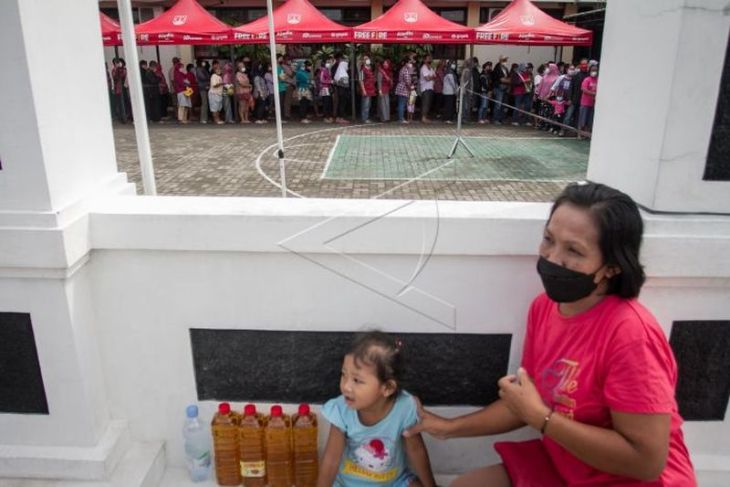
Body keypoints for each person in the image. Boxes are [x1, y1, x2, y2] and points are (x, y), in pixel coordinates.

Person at [405, 182, 698, 487]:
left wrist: (542, 419)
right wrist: (448, 427)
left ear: (611, 266)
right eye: (548, 240)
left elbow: (647, 462)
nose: (552, 258)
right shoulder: (545, 307)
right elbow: (526, 400)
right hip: (568, 463)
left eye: (573, 250)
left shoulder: (631, 335)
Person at [317, 331, 436, 487]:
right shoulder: (342, 410)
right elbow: (331, 460)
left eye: (357, 380)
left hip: (395, 482)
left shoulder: (404, 408)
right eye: (343, 375)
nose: (346, 386)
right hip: (349, 484)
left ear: (387, 388)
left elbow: (416, 451)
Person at [578, 66, 599, 138]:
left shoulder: (598, 80)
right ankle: (579, 133)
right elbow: (584, 89)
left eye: (596, 70)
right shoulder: (587, 79)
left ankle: (586, 134)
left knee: (590, 120)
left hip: (593, 103)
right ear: (590, 71)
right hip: (585, 102)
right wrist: (593, 93)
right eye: (593, 70)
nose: (594, 72)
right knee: (582, 119)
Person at [490, 55, 510, 124]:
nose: (505, 62)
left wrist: (507, 80)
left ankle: (501, 119)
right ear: (500, 60)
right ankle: (495, 119)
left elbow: (508, 78)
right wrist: (508, 80)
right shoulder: (497, 68)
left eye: (506, 60)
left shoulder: (506, 69)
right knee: (498, 104)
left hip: (505, 89)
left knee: (503, 105)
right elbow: (501, 79)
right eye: (504, 60)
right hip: (498, 88)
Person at [111, 58, 130, 123]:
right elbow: (115, 77)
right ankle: (122, 118)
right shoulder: (114, 70)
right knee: (120, 104)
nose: (118, 64)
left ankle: (127, 116)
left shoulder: (124, 69)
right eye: (117, 63)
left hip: (124, 87)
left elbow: (124, 76)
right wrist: (118, 70)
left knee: (126, 102)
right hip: (118, 88)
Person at [395, 59, 414, 124]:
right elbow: (407, 81)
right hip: (403, 89)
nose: (410, 64)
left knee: (401, 104)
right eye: (409, 62)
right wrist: (410, 89)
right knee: (402, 104)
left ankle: (400, 118)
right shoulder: (405, 70)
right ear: (406, 63)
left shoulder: (403, 69)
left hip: (401, 89)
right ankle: (401, 119)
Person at [359, 55, 377, 123]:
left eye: (368, 58)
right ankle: (364, 118)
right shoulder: (362, 69)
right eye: (365, 59)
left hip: (371, 89)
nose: (367, 60)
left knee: (368, 104)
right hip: (366, 89)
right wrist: (363, 90)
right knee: (365, 104)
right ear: (363, 61)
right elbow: (361, 80)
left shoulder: (370, 68)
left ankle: (366, 117)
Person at [419, 55, 435, 123]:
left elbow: (434, 76)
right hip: (425, 88)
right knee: (425, 103)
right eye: (428, 59)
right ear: (424, 60)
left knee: (428, 103)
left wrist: (431, 77)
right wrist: (432, 77)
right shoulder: (424, 68)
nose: (430, 60)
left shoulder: (431, 68)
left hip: (430, 88)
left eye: (430, 58)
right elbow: (427, 78)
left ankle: (425, 117)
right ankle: (423, 118)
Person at [334, 57, 350, 124]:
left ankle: (338, 118)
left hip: (339, 91)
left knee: (340, 104)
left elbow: (336, 82)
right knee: (342, 105)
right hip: (343, 92)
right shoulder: (344, 74)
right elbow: (346, 85)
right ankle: (341, 118)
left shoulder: (338, 73)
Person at [377, 59, 393, 123]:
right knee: (382, 104)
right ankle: (383, 118)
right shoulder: (381, 71)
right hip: (382, 89)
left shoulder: (389, 72)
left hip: (387, 89)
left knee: (387, 104)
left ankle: (387, 118)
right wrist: (380, 90)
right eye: (384, 63)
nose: (385, 64)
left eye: (386, 63)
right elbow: (379, 82)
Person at [195, 59, 211, 124]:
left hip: (205, 87)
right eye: (203, 62)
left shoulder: (203, 69)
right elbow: (203, 77)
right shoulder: (199, 69)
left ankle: (205, 118)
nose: (204, 63)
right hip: (202, 87)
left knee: (206, 103)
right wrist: (208, 78)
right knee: (204, 103)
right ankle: (203, 118)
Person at [320, 56, 334, 123]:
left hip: (328, 88)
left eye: (330, 62)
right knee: (325, 102)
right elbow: (322, 80)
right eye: (328, 62)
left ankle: (328, 116)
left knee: (329, 102)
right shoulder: (323, 70)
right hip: (324, 88)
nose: (330, 63)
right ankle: (325, 117)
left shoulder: (328, 70)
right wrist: (329, 81)